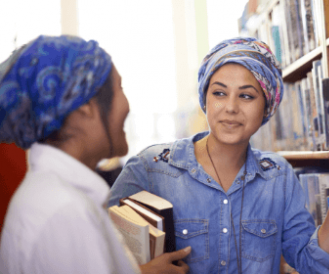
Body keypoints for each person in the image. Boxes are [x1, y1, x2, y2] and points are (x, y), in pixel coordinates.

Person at [109, 37, 329, 274]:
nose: (230, 107)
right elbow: (92, 250)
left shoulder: (278, 175)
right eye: (219, 93)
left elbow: (313, 264)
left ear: (266, 107)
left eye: (246, 96)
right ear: (205, 99)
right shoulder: (151, 168)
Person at [0, 35, 191, 274]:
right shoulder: (66, 213)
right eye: (119, 88)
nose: (127, 104)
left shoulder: (52, 194)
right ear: (85, 107)